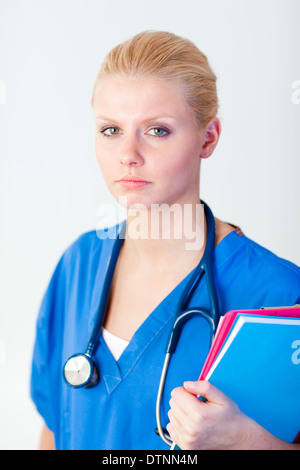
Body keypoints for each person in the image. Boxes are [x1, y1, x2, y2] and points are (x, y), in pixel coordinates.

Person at [31, 30, 300, 450]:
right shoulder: (78, 265)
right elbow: (54, 429)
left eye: (157, 130)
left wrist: (250, 441)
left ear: (208, 138)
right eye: (110, 130)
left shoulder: (278, 293)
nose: (128, 154)